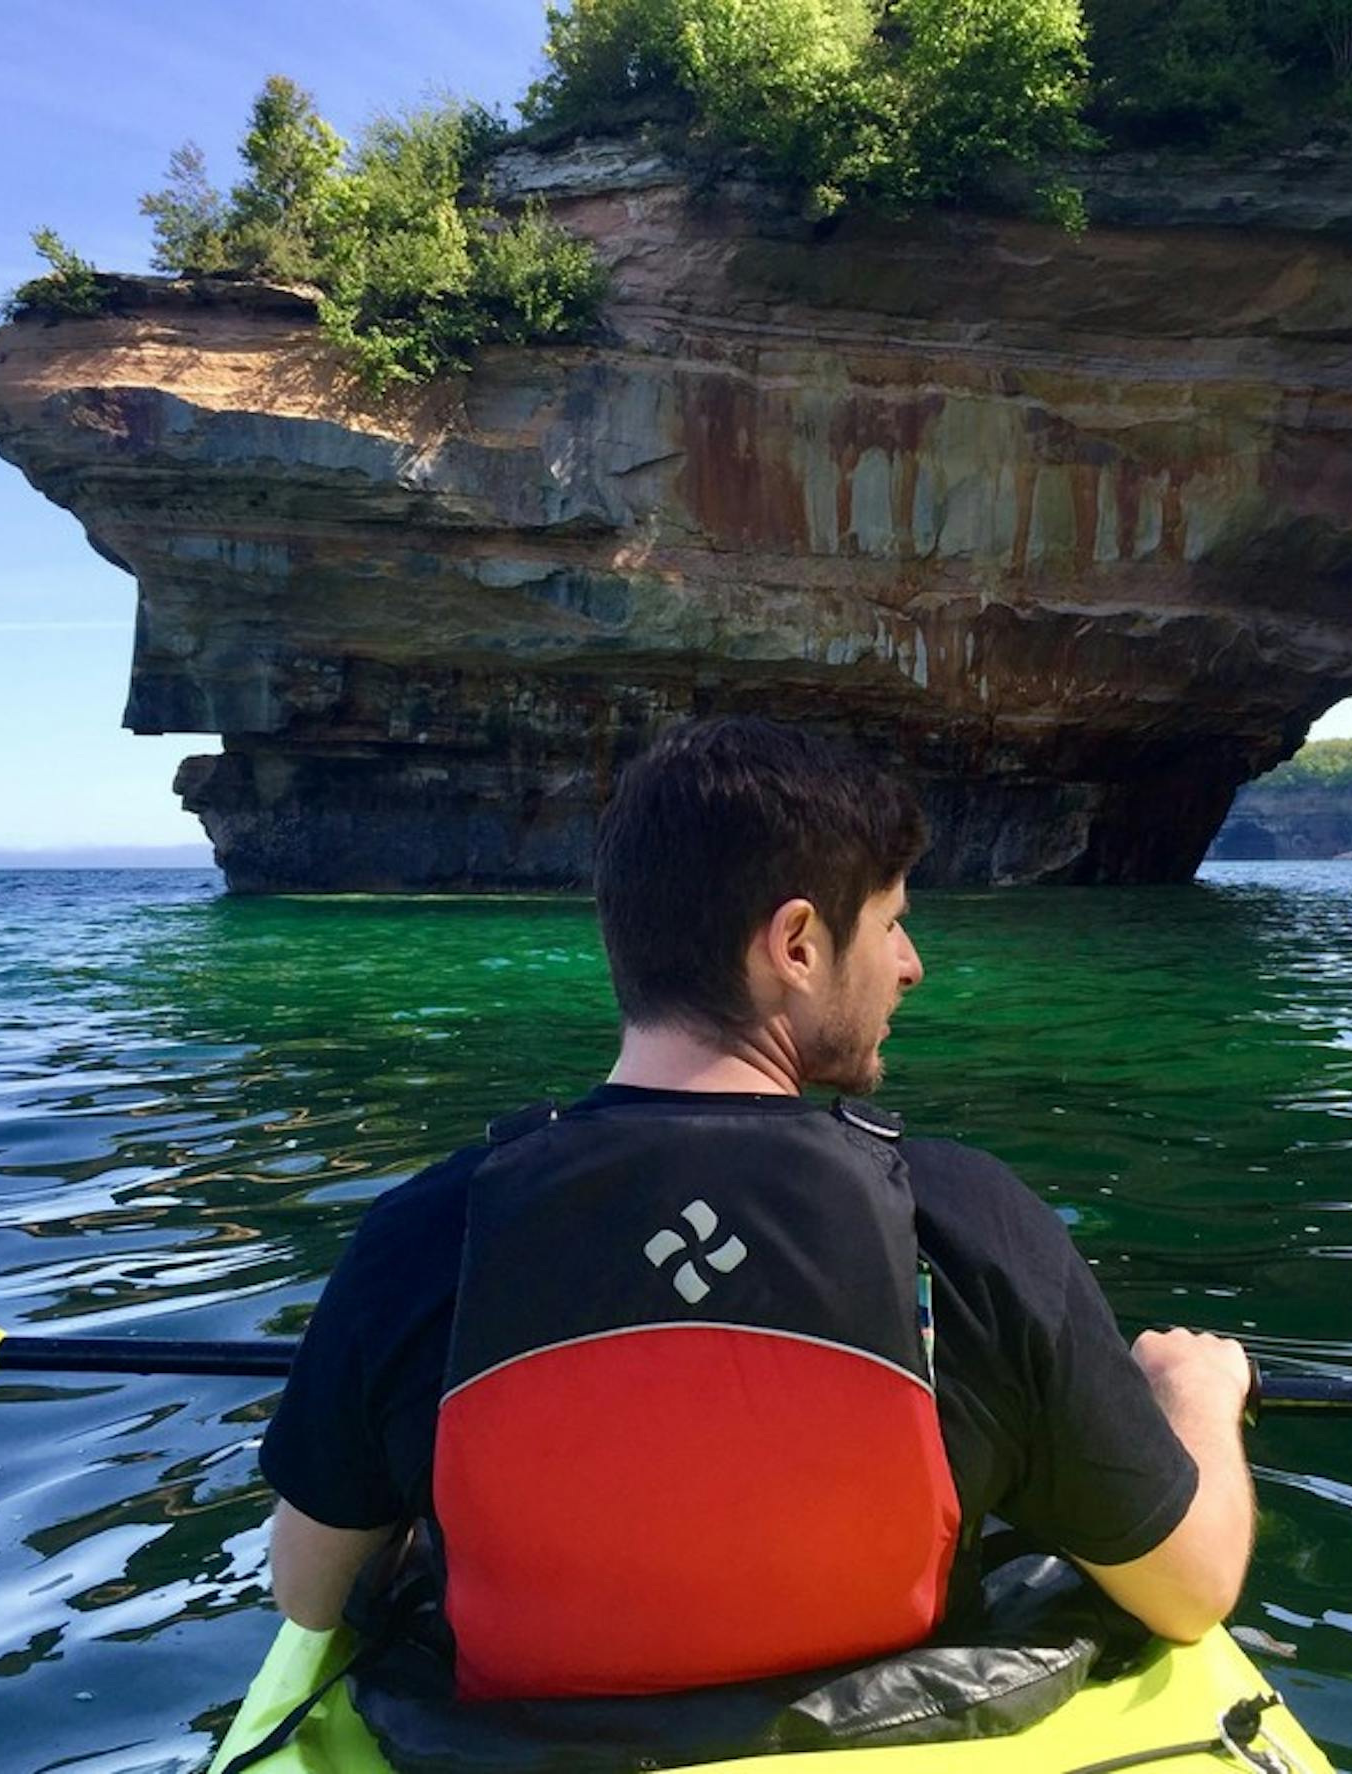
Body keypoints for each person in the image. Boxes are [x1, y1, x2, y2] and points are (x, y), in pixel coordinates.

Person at [257, 716, 1254, 1702]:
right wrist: (1194, 1393)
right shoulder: (963, 1222)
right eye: (894, 922)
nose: (911, 966)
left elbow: (309, 1591)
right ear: (797, 943)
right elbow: (1191, 1591)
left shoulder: (425, 1235)